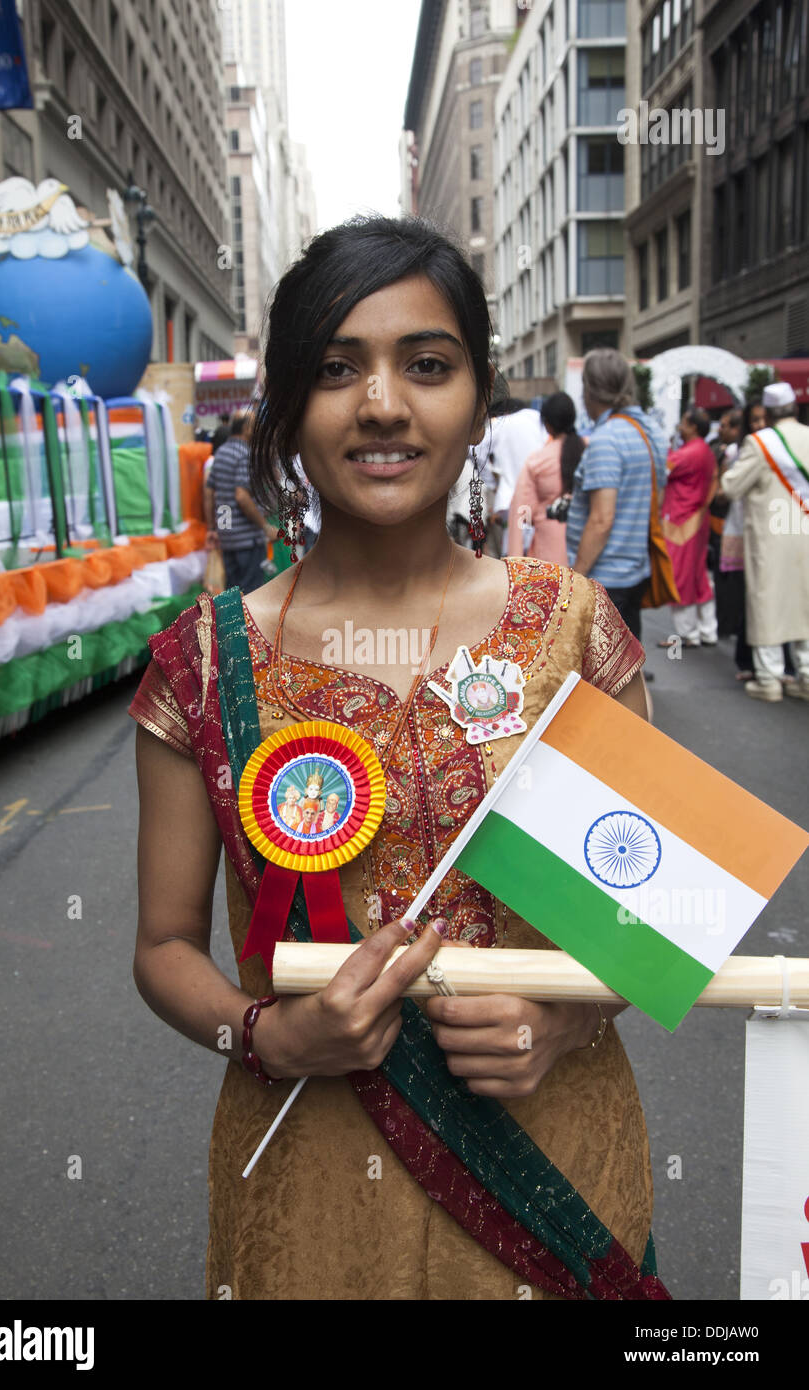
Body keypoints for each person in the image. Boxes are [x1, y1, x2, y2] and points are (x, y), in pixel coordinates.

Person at [127, 213, 666, 1301]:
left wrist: (560, 1021)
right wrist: (269, 1036)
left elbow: (651, 907)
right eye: (335, 369)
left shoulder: (572, 631)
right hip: (311, 1172)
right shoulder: (201, 664)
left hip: (550, 1155)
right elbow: (164, 944)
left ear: (477, 400)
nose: (381, 404)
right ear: (285, 407)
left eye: (426, 365)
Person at [566, 349, 668, 642]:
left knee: (602, 682)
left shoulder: (607, 439)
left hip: (606, 578)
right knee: (626, 672)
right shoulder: (651, 432)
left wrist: (575, 580)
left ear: (590, 390)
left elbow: (602, 519)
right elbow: (656, 502)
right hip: (636, 570)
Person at [721, 381, 809, 701]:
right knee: (805, 603)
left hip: (772, 535)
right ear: (795, 408)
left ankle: (769, 678)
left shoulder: (760, 443)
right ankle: (806, 674)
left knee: (767, 600)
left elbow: (731, 486)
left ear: (768, 413)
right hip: (805, 535)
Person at [658, 407, 719, 648]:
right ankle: (708, 630)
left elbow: (662, 470)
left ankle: (688, 634)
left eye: (683, 422)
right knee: (698, 575)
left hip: (680, 521)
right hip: (698, 519)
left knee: (679, 576)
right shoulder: (705, 451)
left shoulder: (687, 453)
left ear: (693, 427)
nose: (680, 427)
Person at [204, 409, 278, 594]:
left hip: (228, 539)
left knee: (232, 595)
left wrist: (216, 529)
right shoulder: (245, 454)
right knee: (251, 595)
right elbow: (241, 496)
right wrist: (265, 527)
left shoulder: (221, 453)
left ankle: (232, 624)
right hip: (248, 541)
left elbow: (211, 494)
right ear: (246, 428)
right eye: (255, 426)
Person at [507, 391, 586, 563]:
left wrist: (516, 558)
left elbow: (522, 511)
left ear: (547, 424)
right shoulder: (589, 451)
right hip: (587, 552)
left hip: (550, 558)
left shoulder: (538, 461)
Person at [714, 408, 753, 680]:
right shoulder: (733, 453)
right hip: (739, 527)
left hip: (754, 531)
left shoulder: (750, 452)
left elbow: (724, 490)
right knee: (735, 586)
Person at [486, 396, 548, 555]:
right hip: (535, 497)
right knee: (528, 545)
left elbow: (476, 449)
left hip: (511, 498)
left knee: (514, 546)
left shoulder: (501, 423)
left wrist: (492, 480)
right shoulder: (536, 418)